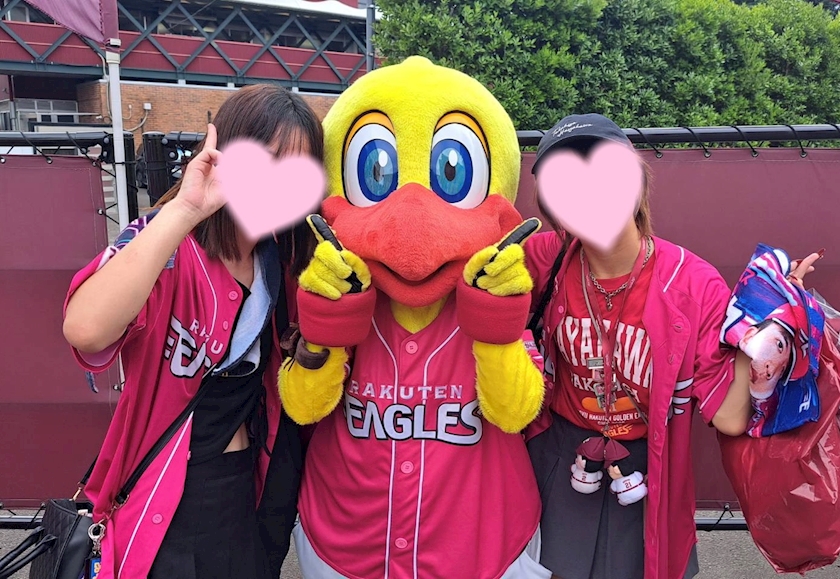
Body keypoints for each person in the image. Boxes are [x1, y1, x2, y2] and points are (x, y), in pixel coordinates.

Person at [524, 113, 820, 579]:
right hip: (559, 458)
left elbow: (729, 416)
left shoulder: (693, 282)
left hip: (650, 466)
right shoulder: (543, 260)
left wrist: (765, 327)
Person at [62, 84, 322, 579]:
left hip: (248, 495)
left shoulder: (285, 260)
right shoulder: (172, 247)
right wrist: (184, 210)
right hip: (162, 499)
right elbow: (86, 329)